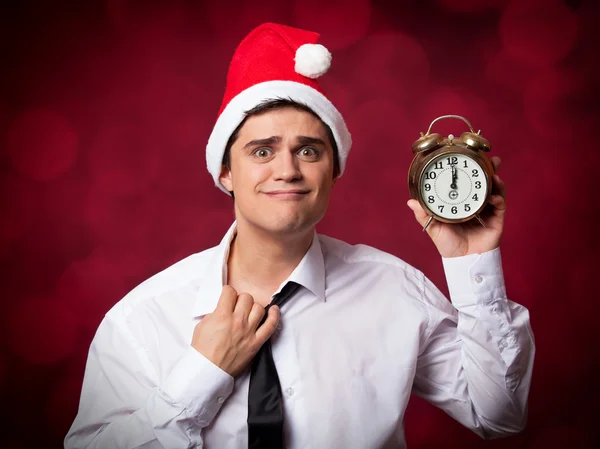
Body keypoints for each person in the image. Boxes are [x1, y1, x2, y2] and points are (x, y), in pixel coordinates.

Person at [65, 23, 535, 449]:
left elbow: (497, 415)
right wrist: (201, 376)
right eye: (262, 150)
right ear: (226, 171)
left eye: (308, 150)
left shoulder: (395, 290)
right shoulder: (143, 318)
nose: (286, 170)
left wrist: (474, 262)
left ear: (334, 171)